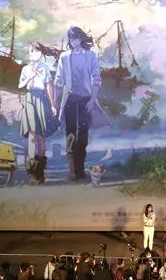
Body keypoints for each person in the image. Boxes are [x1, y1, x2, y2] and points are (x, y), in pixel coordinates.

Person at [54, 25, 110, 181]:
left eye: (75, 37)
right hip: (70, 99)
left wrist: (92, 100)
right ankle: (73, 171)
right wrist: (56, 92)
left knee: (83, 134)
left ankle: (80, 168)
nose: (73, 41)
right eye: (70, 38)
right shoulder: (64, 56)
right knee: (70, 134)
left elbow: (96, 79)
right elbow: (59, 78)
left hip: (86, 99)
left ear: (81, 38)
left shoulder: (91, 55)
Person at [19, 42, 61, 184]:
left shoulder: (45, 68)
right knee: (32, 134)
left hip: (42, 100)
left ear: (41, 53)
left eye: (36, 51)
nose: (33, 54)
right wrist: (30, 76)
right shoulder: (25, 69)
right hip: (30, 99)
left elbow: (49, 86)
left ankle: (40, 170)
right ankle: (32, 170)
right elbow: (21, 85)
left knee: (42, 137)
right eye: (31, 51)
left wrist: (53, 104)